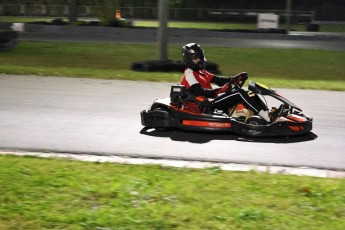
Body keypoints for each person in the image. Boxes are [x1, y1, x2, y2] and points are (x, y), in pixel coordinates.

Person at [180, 43, 270, 122]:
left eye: (201, 56)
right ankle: (266, 118)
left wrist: (235, 78)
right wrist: (220, 90)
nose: (201, 59)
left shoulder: (201, 71)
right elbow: (199, 92)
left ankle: (266, 113)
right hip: (204, 106)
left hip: (210, 102)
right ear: (189, 59)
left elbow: (219, 80)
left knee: (249, 93)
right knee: (239, 93)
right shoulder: (189, 73)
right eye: (197, 58)